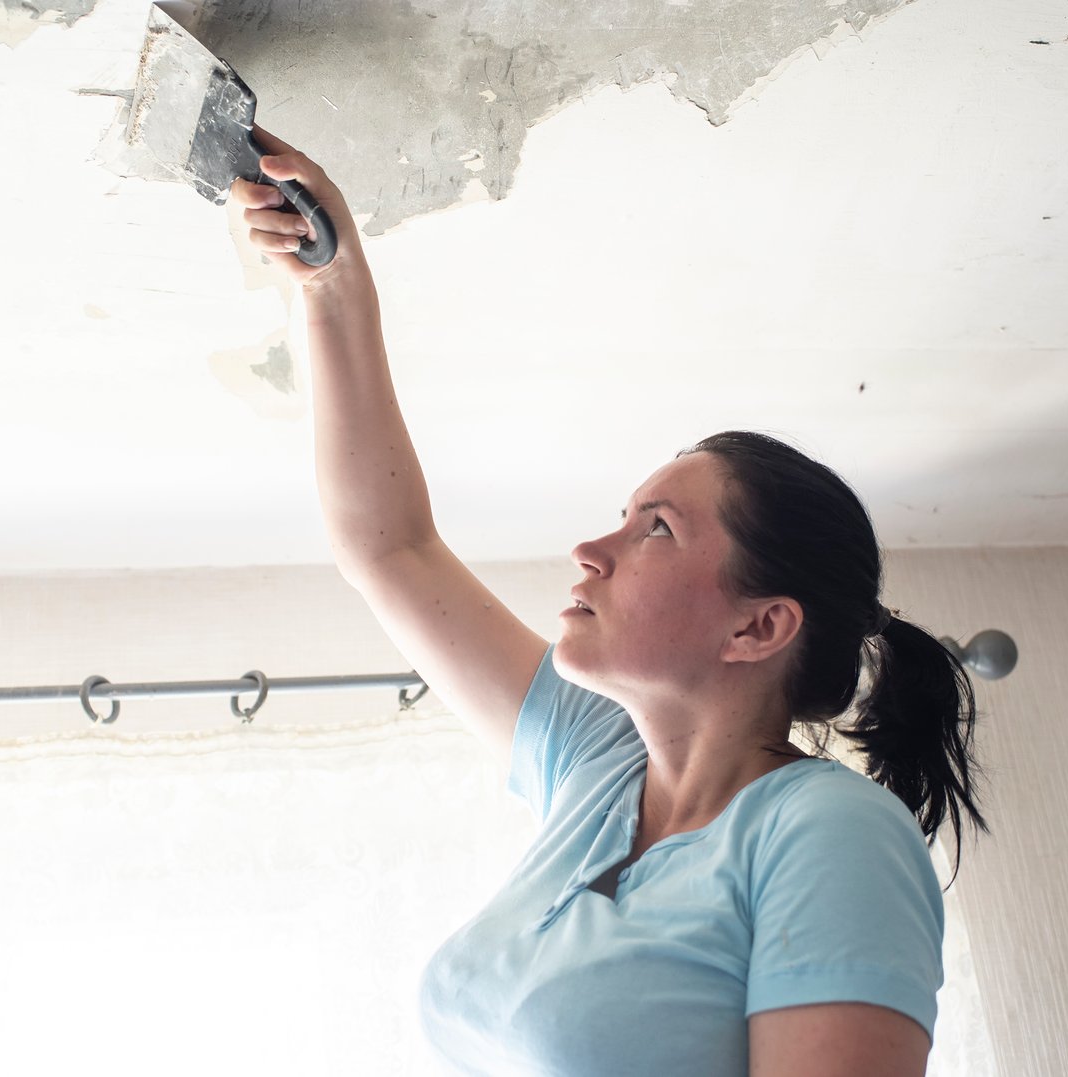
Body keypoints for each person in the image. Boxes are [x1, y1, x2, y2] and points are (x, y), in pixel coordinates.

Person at [227, 130, 989, 1077]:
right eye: (621, 518)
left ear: (759, 625)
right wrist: (331, 284)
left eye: (656, 528)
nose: (591, 550)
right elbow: (391, 547)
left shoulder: (828, 832)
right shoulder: (595, 764)